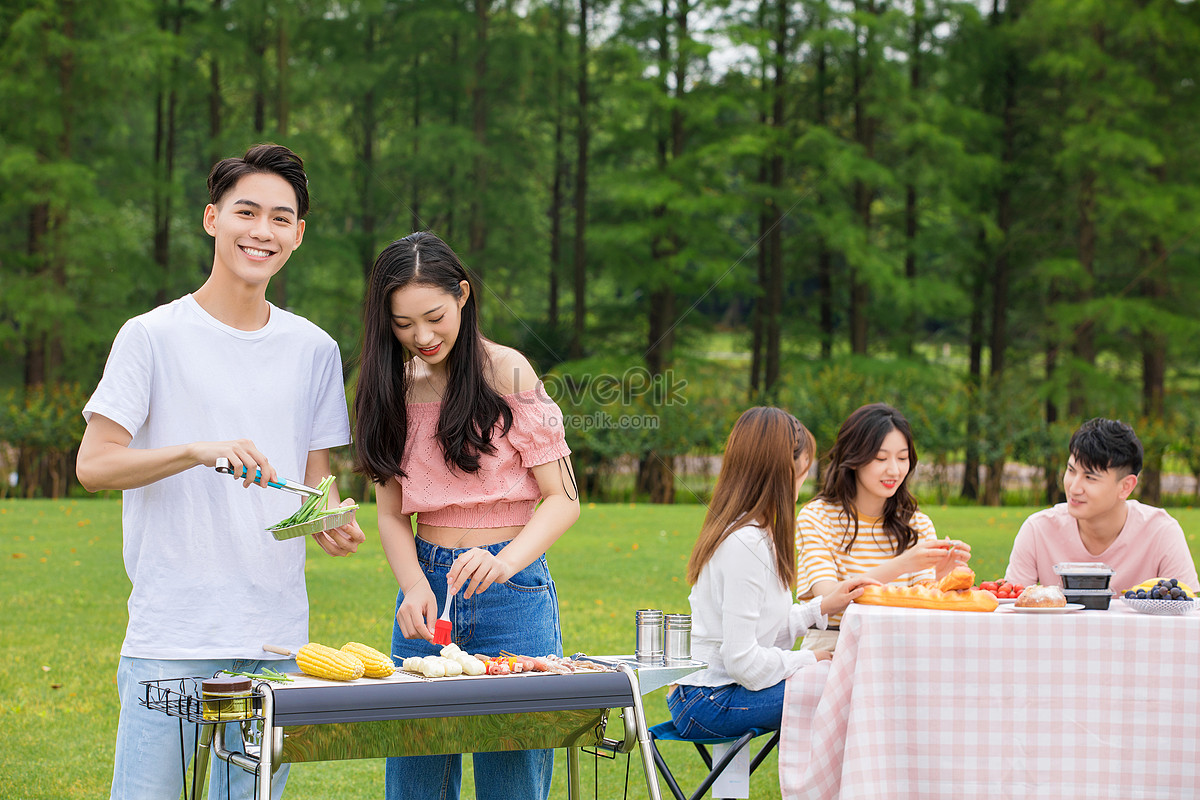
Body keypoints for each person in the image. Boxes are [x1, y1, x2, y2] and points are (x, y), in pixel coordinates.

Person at [75, 143, 365, 800]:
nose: (262, 231)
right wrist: (194, 450)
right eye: (247, 212)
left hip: (274, 642)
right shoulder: (150, 337)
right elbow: (92, 466)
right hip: (172, 638)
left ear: (298, 234)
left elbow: (315, 488)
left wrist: (328, 521)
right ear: (213, 219)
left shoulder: (315, 350)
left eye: (280, 218)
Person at [354, 231, 580, 800]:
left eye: (433, 317)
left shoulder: (508, 372)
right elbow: (389, 514)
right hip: (427, 593)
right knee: (415, 779)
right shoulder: (391, 387)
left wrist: (503, 563)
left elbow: (563, 499)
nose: (422, 337)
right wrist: (411, 585)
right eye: (403, 325)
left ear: (463, 295)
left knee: (512, 779)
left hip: (514, 595)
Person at [669, 407, 875, 738]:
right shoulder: (745, 542)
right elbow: (742, 663)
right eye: (802, 471)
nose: (804, 481)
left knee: (845, 679)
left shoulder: (754, 532)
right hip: (708, 701)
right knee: (844, 685)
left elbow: (763, 630)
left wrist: (821, 607)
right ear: (780, 471)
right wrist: (808, 659)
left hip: (718, 692)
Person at [795, 403, 969, 650]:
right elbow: (827, 598)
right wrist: (906, 563)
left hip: (902, 645)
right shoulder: (817, 517)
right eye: (880, 458)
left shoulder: (917, 524)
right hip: (833, 646)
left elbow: (922, 603)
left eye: (902, 458)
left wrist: (942, 577)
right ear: (854, 458)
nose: (894, 470)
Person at [1005, 417, 1199, 593]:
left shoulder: (1161, 532)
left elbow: (1185, 611)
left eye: (1090, 477)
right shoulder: (1038, 529)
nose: (1074, 487)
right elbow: (1009, 606)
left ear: (1126, 486)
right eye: (1071, 470)